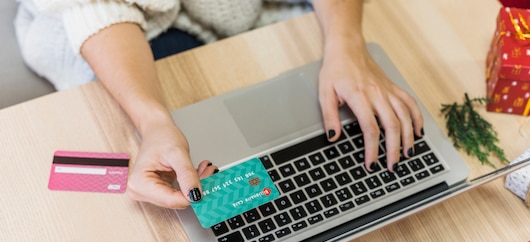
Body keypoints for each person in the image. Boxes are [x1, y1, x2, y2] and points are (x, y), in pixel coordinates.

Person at [15, 0, 424, 209]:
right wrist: (153, 121)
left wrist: (348, 46)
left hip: (252, 13)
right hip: (131, 28)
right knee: (181, 173)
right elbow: (95, 10)